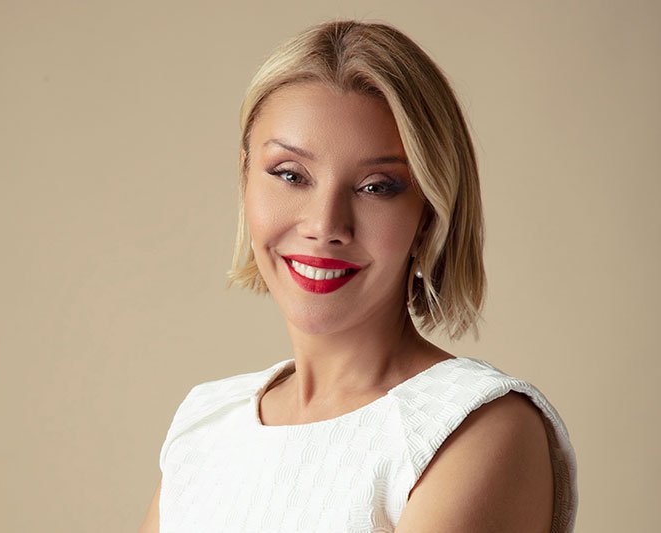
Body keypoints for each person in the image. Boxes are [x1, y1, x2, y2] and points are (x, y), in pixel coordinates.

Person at [139, 18, 577, 533]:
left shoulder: (473, 428)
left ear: (430, 212)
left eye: (376, 186)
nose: (325, 225)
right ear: (244, 178)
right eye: (290, 175)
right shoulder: (205, 422)